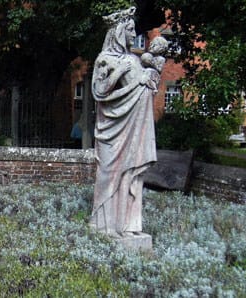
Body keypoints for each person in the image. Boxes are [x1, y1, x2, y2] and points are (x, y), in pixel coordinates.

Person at [89, 7, 159, 235]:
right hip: (113, 128)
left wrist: (149, 78)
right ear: (118, 32)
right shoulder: (105, 59)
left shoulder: (133, 59)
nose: (133, 35)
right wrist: (119, 72)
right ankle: (104, 225)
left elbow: (143, 87)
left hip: (134, 125)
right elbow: (99, 92)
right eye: (129, 30)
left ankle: (129, 225)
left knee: (132, 173)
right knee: (109, 172)